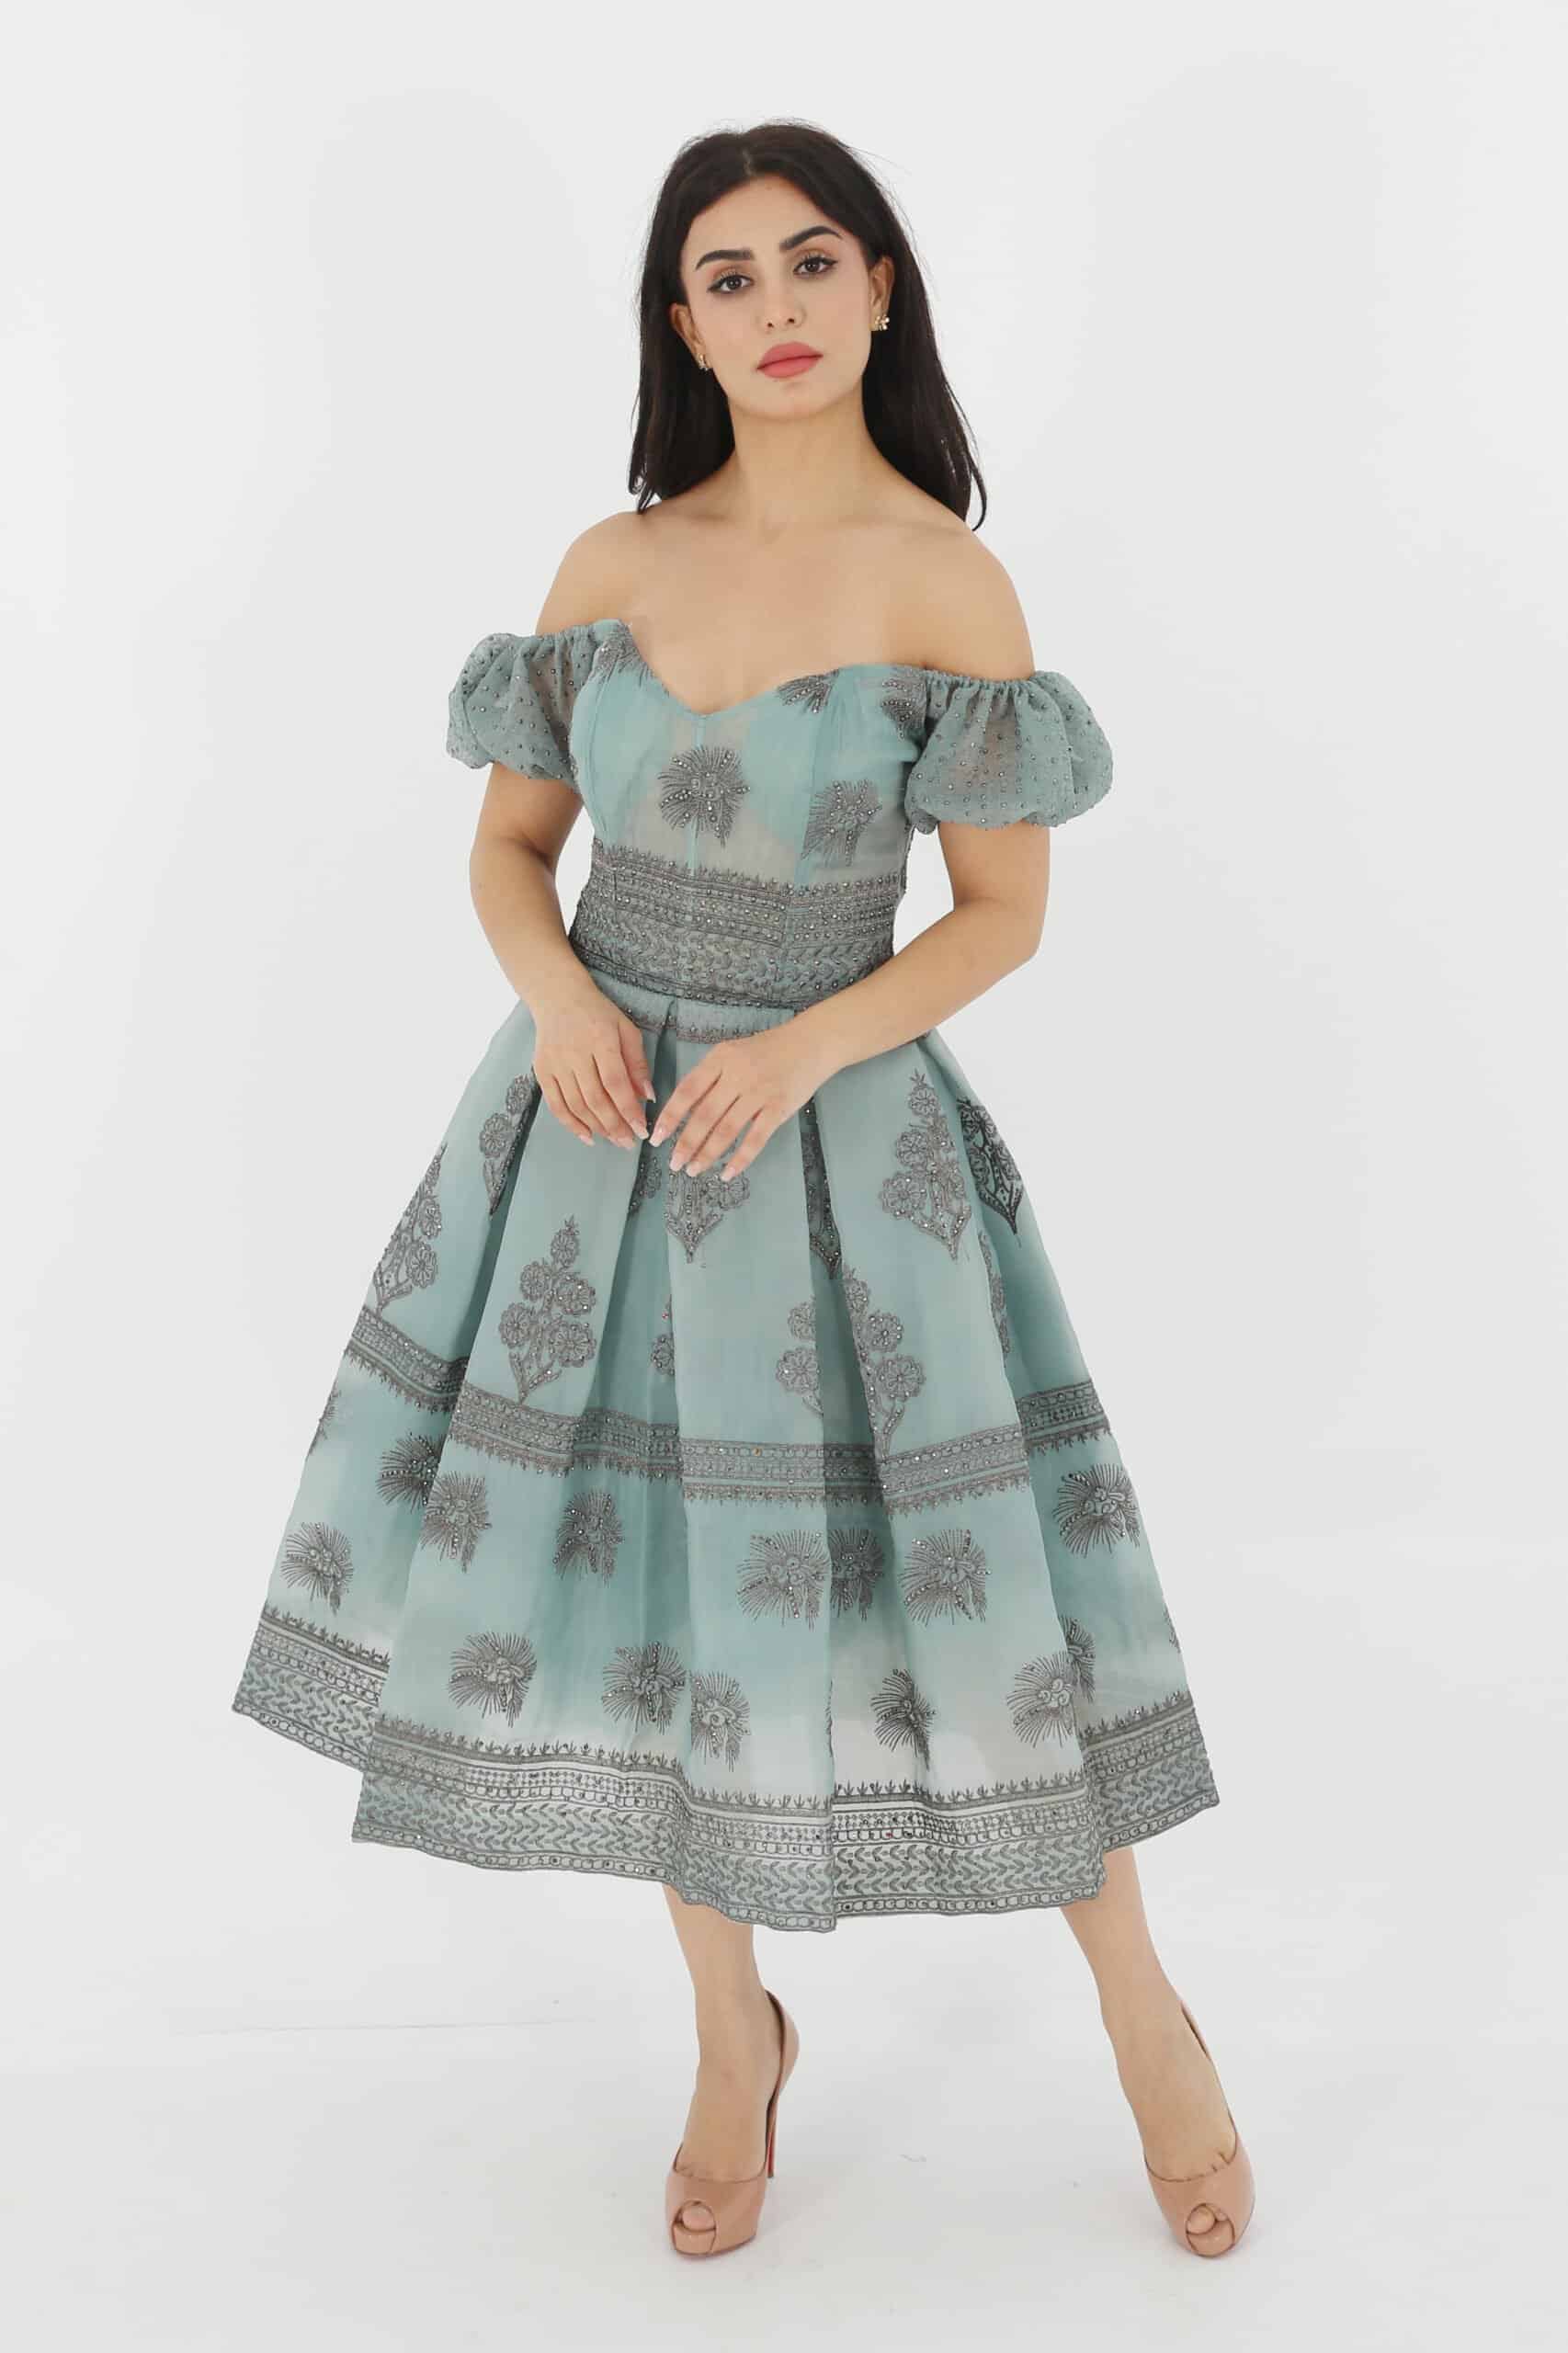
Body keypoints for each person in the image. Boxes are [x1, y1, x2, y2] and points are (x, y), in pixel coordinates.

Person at [231, 119, 1255, 2262]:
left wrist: (801, 1043)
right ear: (680, 327)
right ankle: (730, 2034)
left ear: (879, 290)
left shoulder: (946, 581)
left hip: (845, 1151)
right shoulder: (608, 564)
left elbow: (1002, 917)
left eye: (809, 261)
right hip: (592, 1149)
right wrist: (558, 995)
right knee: (669, 1610)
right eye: (725, 276)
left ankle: (1141, 2009)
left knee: (986, 1604)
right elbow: (511, 853)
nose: (774, 306)